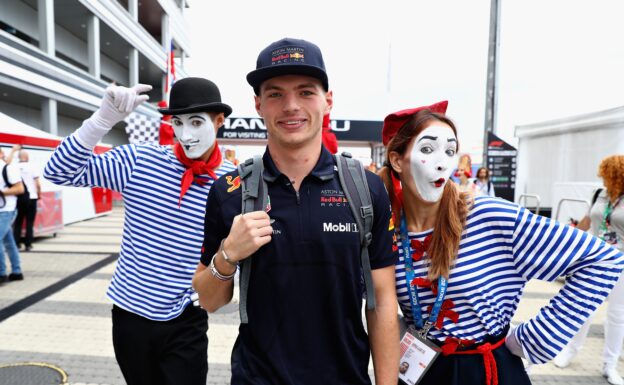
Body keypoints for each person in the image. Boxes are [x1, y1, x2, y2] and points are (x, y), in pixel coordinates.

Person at [192, 37, 399, 385]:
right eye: (275, 94)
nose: (290, 105)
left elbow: (382, 302)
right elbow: (211, 300)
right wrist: (228, 255)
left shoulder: (366, 189)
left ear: (327, 101)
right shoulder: (230, 192)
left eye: (305, 92)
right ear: (258, 104)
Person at [377, 101, 624, 385]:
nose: (443, 162)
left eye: (450, 151)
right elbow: (368, 299)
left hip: (487, 370)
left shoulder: (486, 214)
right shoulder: (388, 228)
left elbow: (604, 260)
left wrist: (535, 339)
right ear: (397, 161)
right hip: (423, 370)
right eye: (428, 150)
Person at [44, 77, 235, 385]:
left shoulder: (231, 183)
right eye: (178, 123)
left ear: (219, 121)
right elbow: (58, 170)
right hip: (131, 313)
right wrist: (103, 119)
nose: (186, 135)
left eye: (197, 122)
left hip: (187, 316)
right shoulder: (139, 161)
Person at [552, 155, 624, 385]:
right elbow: (586, 222)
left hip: (621, 263)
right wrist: (565, 235)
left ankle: (609, 366)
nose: (603, 180)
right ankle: (570, 352)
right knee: (584, 309)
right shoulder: (598, 194)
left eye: (606, 176)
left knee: (617, 316)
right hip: (595, 260)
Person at [0, 146, 24, 283]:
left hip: (7, 209)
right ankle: (16, 271)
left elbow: (19, 188)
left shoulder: (8, 168)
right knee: (8, 241)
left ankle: (1, 273)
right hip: (2, 209)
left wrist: (2, 193)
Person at [11, 148, 41, 251]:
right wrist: (39, 194)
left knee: (18, 221)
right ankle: (28, 244)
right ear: (26, 157)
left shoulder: (14, 167)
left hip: (18, 198)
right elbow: (37, 183)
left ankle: (16, 243)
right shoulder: (32, 167)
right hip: (32, 198)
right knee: (29, 222)